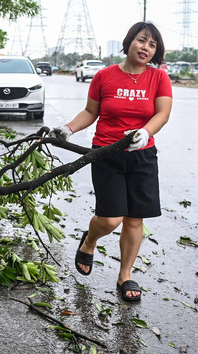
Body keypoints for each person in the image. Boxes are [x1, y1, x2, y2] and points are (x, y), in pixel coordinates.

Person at [50, 21, 173, 302]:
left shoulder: (158, 78)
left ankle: (125, 275)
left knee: (133, 219)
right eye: (142, 41)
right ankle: (90, 240)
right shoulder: (104, 76)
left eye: (153, 45)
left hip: (142, 155)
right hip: (106, 153)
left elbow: (162, 114)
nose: (146, 48)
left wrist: (145, 131)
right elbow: (90, 112)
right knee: (110, 218)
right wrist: (67, 129)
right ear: (129, 41)